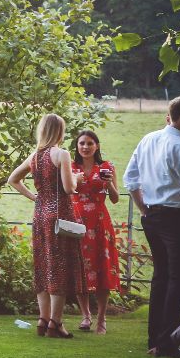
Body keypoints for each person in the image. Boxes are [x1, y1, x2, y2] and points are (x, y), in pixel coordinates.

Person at [8, 114, 82, 339]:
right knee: (59, 266)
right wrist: (77, 177)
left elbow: (12, 179)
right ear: (60, 131)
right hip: (60, 214)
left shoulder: (35, 156)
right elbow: (69, 189)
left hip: (40, 214)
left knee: (43, 264)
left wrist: (36, 198)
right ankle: (56, 323)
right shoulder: (62, 154)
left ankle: (43, 319)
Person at [123, 95, 180, 358]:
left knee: (160, 277)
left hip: (151, 217)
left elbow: (130, 179)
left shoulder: (148, 139)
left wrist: (144, 210)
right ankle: (169, 341)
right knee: (178, 278)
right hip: (176, 217)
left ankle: (155, 340)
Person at [71, 130, 121, 334]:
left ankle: (101, 318)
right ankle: (85, 316)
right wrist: (76, 181)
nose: (85, 147)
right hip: (76, 222)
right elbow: (65, 191)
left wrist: (108, 184)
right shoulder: (71, 167)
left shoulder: (107, 167)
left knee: (103, 269)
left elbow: (116, 199)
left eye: (90, 143)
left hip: (100, 224)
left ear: (97, 146)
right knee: (79, 270)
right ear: (77, 146)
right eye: (81, 143)